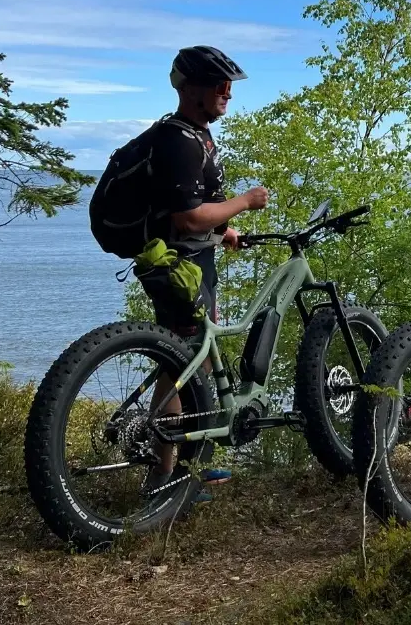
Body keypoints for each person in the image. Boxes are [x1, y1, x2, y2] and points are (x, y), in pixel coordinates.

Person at [142, 45, 270, 499]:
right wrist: (246, 202)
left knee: (190, 358)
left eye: (230, 85)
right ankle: (164, 475)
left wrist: (227, 228)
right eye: (220, 85)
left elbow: (197, 209)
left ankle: (189, 464)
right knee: (178, 364)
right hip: (182, 267)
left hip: (192, 260)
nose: (228, 93)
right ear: (192, 89)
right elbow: (188, 218)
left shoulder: (196, 134)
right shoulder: (178, 138)